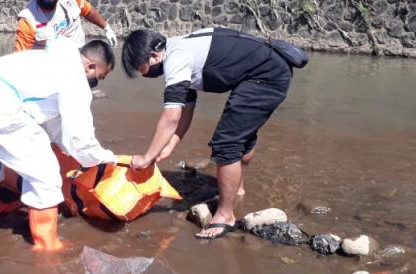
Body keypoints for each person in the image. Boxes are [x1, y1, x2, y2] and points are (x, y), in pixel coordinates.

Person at [122, 27, 293, 240]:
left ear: (154, 55)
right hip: (267, 71)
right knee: (242, 134)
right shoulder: (179, 46)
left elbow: (171, 116)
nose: (144, 74)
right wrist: (169, 146)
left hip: (266, 77)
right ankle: (237, 190)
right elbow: (186, 108)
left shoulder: (176, 58)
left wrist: (147, 157)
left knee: (227, 142)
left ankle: (225, 215)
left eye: (142, 69)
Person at [0, 38, 117, 251]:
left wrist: (70, 149)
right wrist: (106, 158)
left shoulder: (48, 58)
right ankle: (46, 245)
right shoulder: (74, 78)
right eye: (100, 76)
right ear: (91, 66)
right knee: (45, 172)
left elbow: (56, 125)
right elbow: (80, 138)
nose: (97, 81)